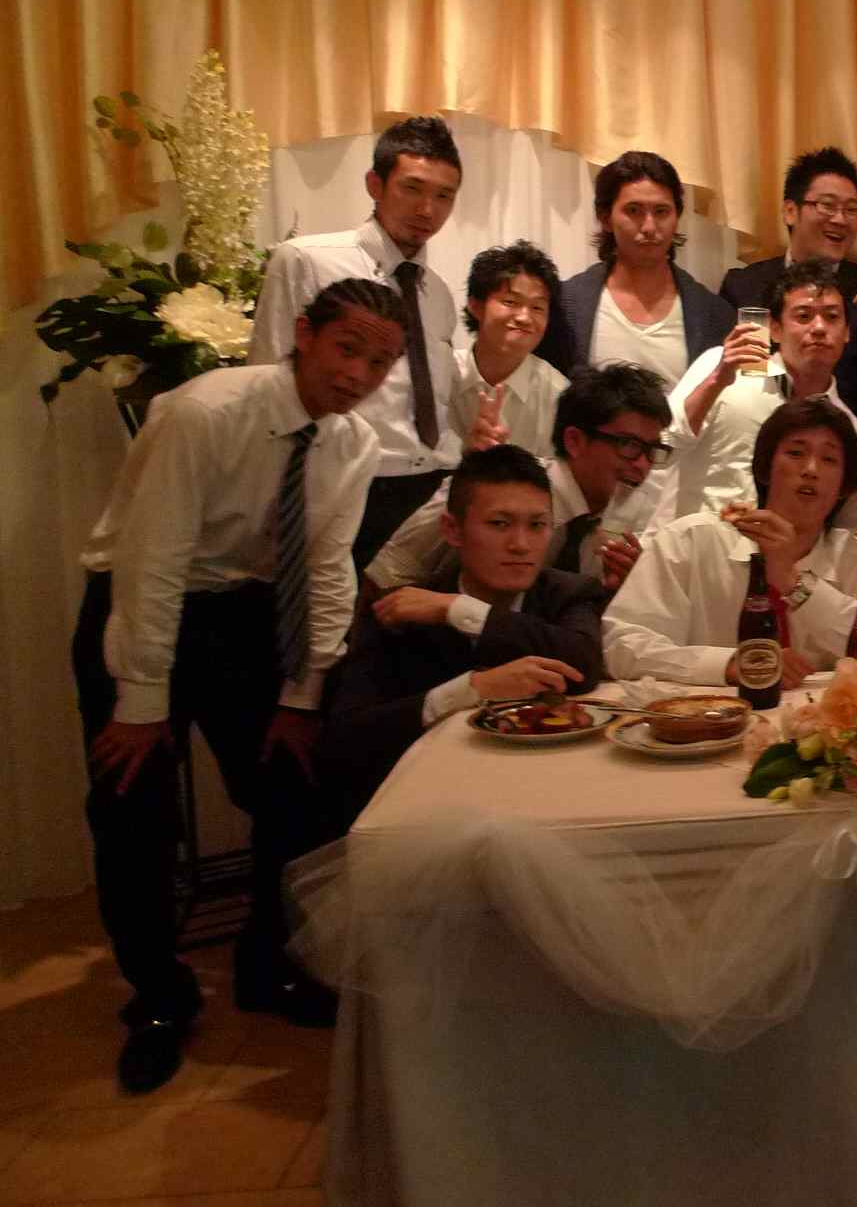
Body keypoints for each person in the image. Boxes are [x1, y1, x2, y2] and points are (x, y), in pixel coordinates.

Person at [73, 278, 404, 1093]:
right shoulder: (204, 412)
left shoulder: (353, 443)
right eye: (347, 349)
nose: (358, 375)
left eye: (380, 363)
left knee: (294, 784)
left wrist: (302, 695)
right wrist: (141, 702)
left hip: (245, 616)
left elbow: (327, 568)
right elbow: (152, 559)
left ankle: (269, 964)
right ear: (304, 333)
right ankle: (158, 997)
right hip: (140, 610)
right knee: (134, 809)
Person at [325, 446, 607, 818]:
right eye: (499, 524)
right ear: (452, 530)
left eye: (537, 525)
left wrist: (458, 609)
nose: (521, 545)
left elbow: (582, 663)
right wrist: (470, 690)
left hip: (546, 795)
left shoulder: (569, 592)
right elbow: (346, 738)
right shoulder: (402, 610)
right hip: (428, 806)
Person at [249, 115, 464, 570]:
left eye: (444, 195)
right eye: (412, 188)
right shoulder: (307, 261)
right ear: (374, 184)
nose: (427, 209)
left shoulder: (439, 294)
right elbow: (267, 381)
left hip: (429, 488)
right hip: (344, 479)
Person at [604, 398, 857, 684]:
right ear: (765, 468)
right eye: (796, 453)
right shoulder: (690, 541)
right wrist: (727, 664)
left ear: (845, 485)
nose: (811, 470)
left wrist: (793, 583)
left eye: (829, 459)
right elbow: (622, 645)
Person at [368, 363, 674, 597]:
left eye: (652, 450)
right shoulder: (494, 486)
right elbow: (388, 575)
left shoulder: (624, 521)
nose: (643, 464)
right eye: (629, 445)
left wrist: (620, 592)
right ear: (574, 441)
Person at [663, 259, 857, 529]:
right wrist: (717, 380)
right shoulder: (722, 367)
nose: (819, 328)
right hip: (693, 547)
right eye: (804, 316)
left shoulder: (855, 435)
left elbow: (848, 533)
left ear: (847, 332)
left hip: (782, 555)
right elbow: (662, 446)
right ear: (775, 329)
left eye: (832, 317)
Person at [716, 145, 857, 434]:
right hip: (756, 435)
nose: (840, 219)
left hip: (848, 443)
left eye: (851, 210)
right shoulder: (746, 286)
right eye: (827, 205)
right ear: (790, 211)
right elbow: (741, 377)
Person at [538, 149, 734, 381]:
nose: (649, 227)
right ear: (606, 218)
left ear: (677, 218)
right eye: (633, 211)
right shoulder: (565, 306)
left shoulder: (715, 315)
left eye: (661, 212)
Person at [452, 240, 568, 457]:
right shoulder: (444, 375)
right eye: (510, 302)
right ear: (476, 306)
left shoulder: (557, 394)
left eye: (537, 307)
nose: (524, 317)